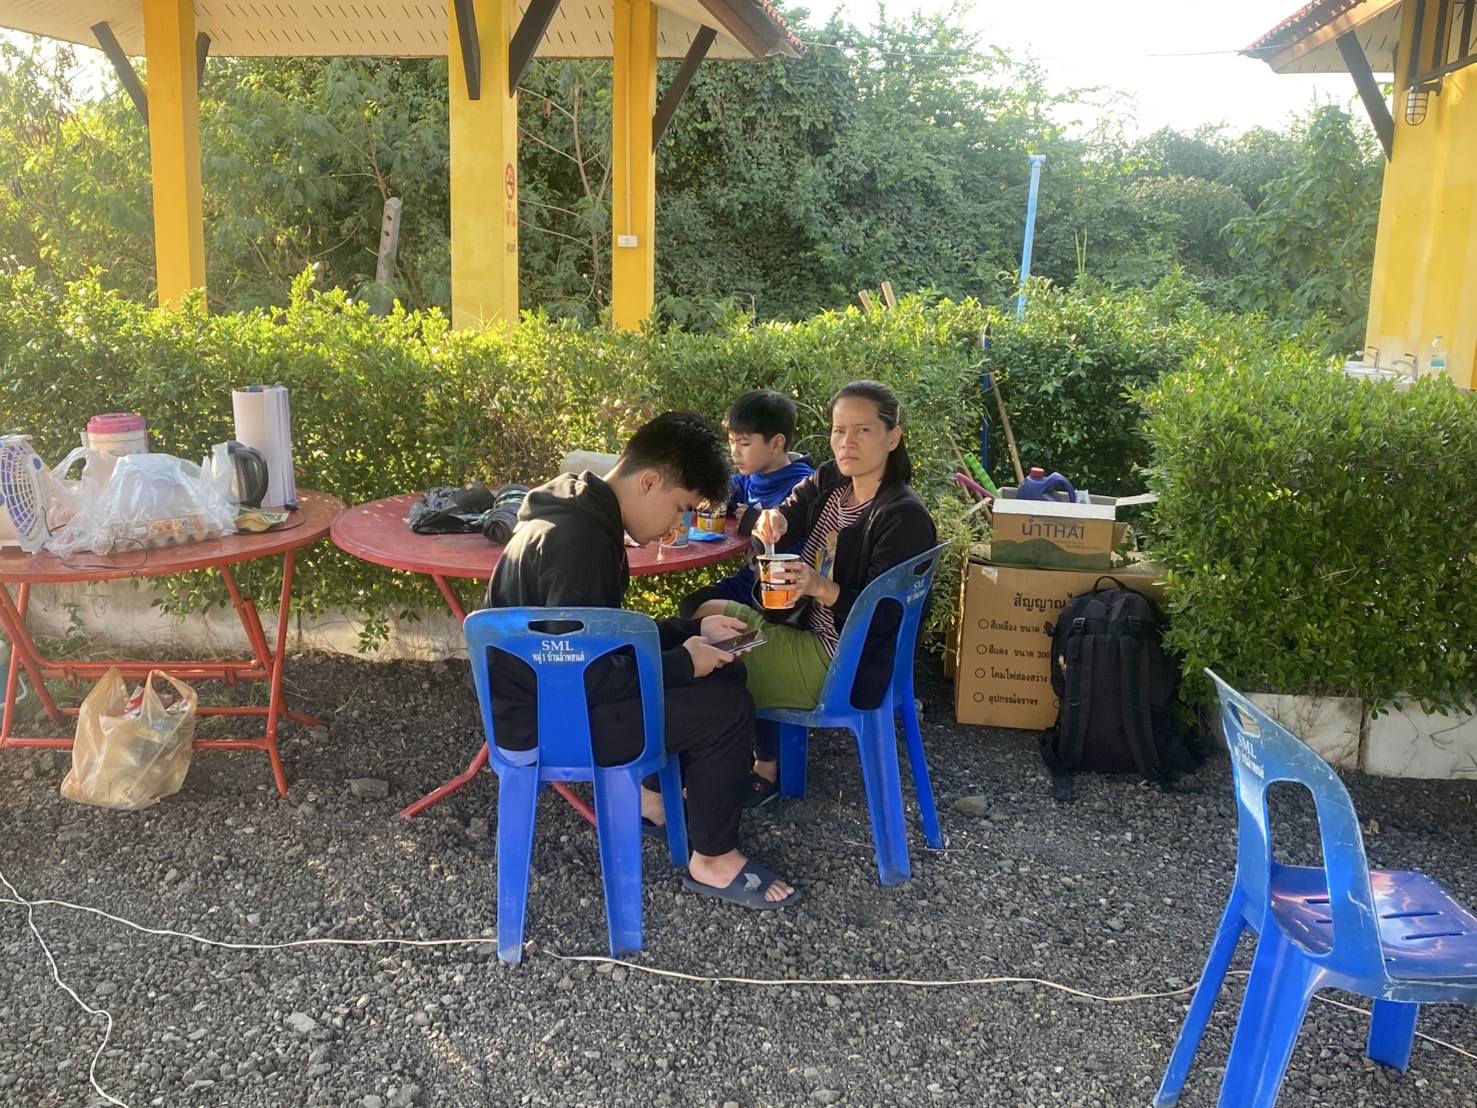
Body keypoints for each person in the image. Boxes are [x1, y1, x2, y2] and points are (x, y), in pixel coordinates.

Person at [480, 411, 797, 908]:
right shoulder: (580, 542)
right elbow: (584, 673)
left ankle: (653, 802)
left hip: (550, 697)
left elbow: (600, 636)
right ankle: (713, 860)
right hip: (549, 722)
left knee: (727, 669)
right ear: (649, 482)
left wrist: (692, 632)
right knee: (724, 710)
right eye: (680, 509)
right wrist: (682, 663)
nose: (676, 527)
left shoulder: (581, 509)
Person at [692, 381, 937, 808]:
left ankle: (696, 788)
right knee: (704, 616)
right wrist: (774, 520)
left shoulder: (902, 517)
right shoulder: (831, 480)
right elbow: (786, 513)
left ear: (892, 437)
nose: (846, 442)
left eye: (863, 430)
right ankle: (731, 765)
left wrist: (821, 588)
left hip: (838, 662)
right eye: (839, 430)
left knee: (705, 661)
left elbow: (884, 620)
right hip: (801, 631)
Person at [679, 389, 814, 618]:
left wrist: (756, 522)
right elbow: (725, 493)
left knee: (698, 610)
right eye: (731, 442)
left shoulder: (804, 486)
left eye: (744, 443)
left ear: (776, 444)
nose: (735, 452)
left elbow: (802, 548)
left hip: (780, 594)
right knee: (692, 605)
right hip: (751, 580)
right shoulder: (751, 477)